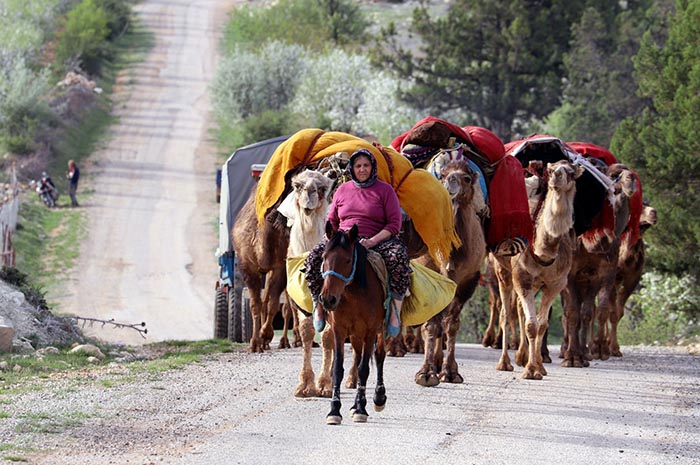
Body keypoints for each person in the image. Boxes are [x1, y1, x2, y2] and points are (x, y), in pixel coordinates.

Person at [304, 148, 411, 337]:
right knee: (313, 258)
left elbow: (394, 223)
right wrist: (333, 240)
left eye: (366, 165)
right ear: (352, 168)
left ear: (373, 167)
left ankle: (395, 309)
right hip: (344, 240)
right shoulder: (342, 190)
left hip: (377, 239)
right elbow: (332, 221)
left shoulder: (385, 191)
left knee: (399, 257)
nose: (362, 169)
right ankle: (318, 305)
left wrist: (372, 241)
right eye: (358, 166)